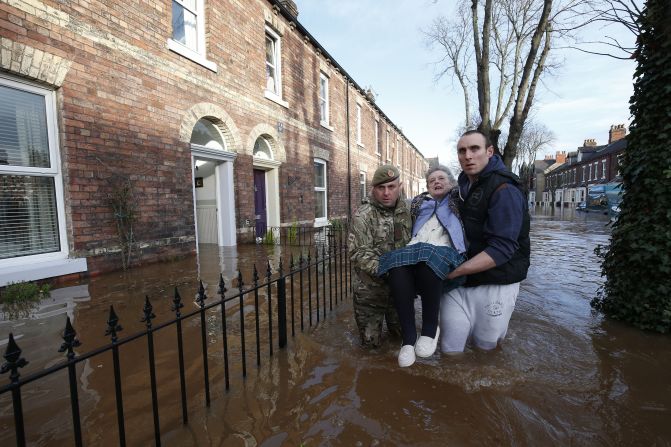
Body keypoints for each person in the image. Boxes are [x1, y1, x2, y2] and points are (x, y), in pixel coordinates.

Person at [442, 130, 531, 353]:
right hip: (461, 282)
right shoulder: (462, 185)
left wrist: (454, 272)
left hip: (496, 283)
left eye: (475, 149)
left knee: (486, 352)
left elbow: (502, 249)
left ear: (489, 152)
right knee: (450, 349)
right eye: (462, 151)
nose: (468, 156)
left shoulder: (505, 189)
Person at [377, 165, 467, 367]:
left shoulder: (458, 200)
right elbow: (392, 203)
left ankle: (429, 328)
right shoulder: (418, 203)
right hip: (416, 247)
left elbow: (469, 187)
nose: (436, 182)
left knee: (428, 261)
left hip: (445, 250)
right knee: (395, 264)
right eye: (432, 180)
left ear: (451, 183)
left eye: (442, 178)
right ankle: (408, 339)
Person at [348, 164, 412, 348]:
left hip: (400, 291)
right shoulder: (363, 215)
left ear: (399, 187)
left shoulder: (409, 211)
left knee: (402, 339)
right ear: (373, 189)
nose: (386, 193)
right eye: (381, 187)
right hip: (370, 292)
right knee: (370, 346)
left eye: (391, 187)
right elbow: (358, 252)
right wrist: (391, 271)